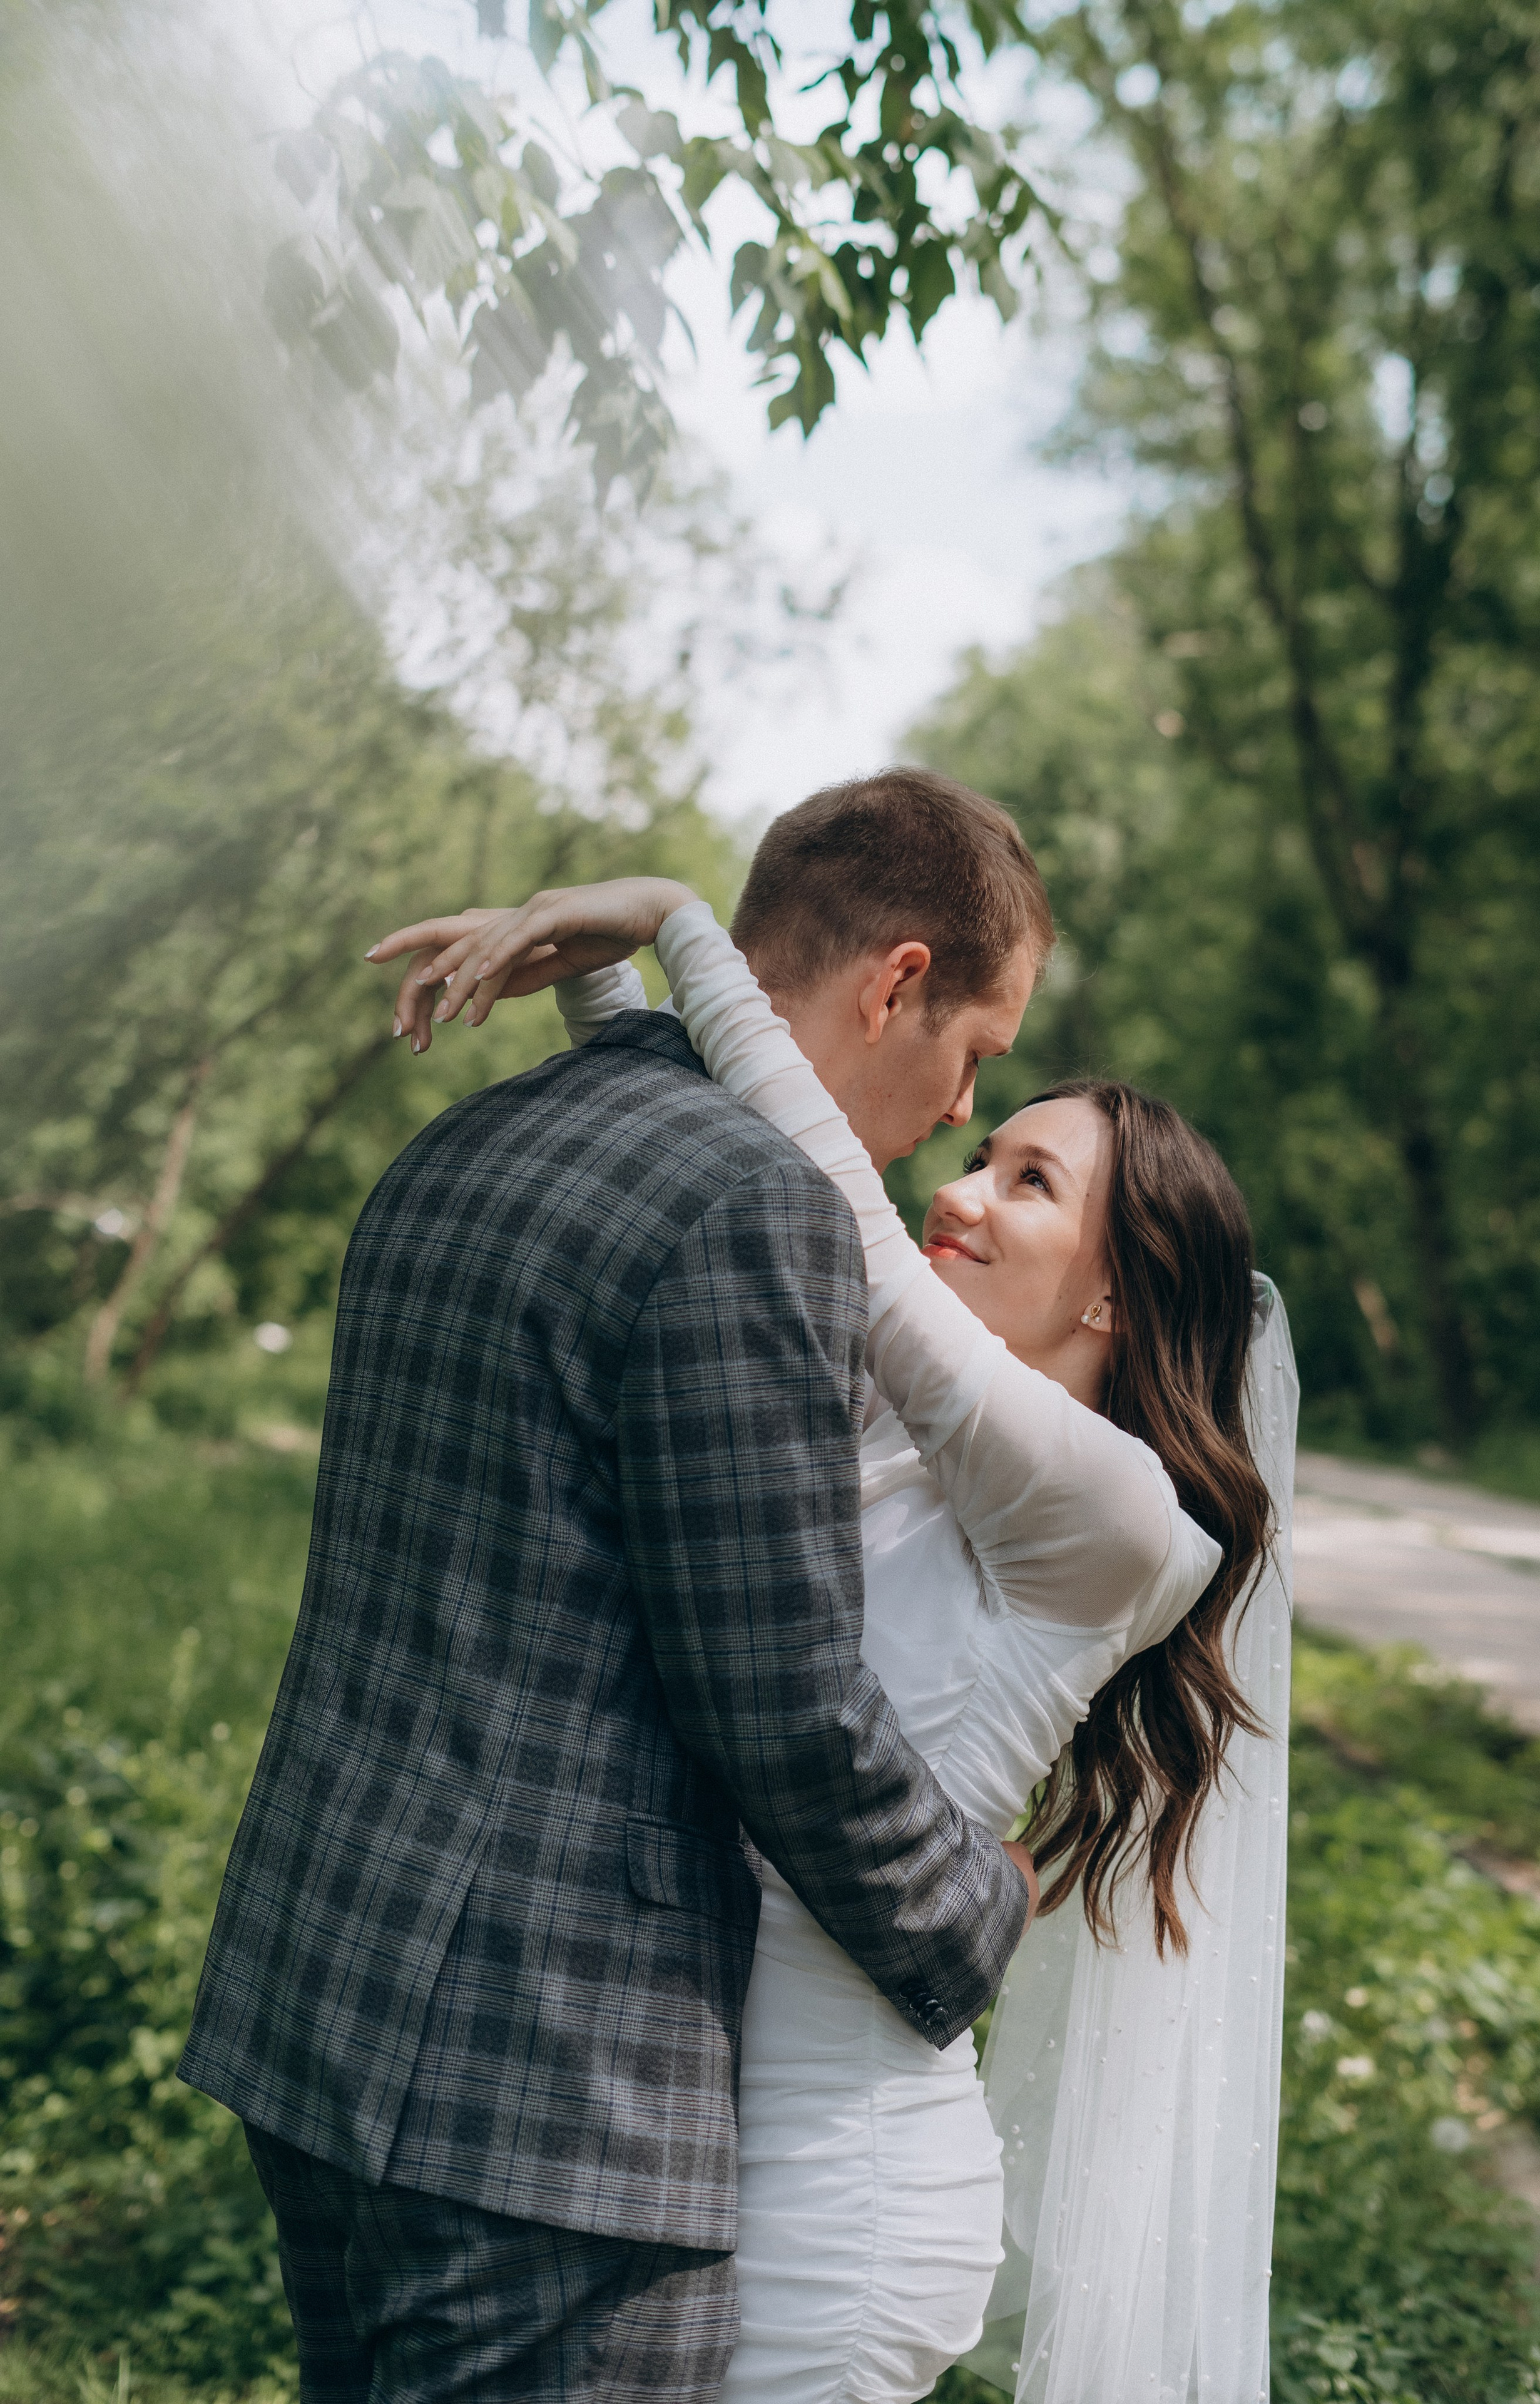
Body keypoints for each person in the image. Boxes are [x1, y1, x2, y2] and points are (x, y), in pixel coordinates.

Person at [372, 817, 1295, 2402]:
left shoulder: (1116, 1513)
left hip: (842, 2189)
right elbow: (745, 1170)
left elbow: (838, 1224)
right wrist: (604, 993)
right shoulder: (905, 1440)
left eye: (1026, 1179)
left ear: (1114, 1294)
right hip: (693, 2143)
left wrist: (675, 920)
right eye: (978, 1146)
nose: (954, 1184)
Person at [179, 770, 1054, 2404]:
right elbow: (780, 1697)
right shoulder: (753, 1203)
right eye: (978, 1052)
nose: (957, 1109)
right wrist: (977, 1900)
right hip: (541, 2097)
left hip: (315, 1997)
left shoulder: (468, 1140)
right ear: (899, 981)